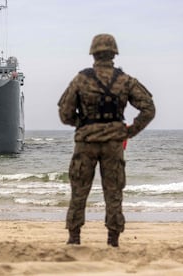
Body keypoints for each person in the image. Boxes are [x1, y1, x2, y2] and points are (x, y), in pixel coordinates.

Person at [58, 33, 155, 247]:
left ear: (93, 53)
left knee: (79, 190)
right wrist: (129, 131)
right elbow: (148, 108)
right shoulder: (125, 80)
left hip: (86, 142)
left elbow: (64, 113)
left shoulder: (81, 79)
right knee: (113, 191)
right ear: (114, 53)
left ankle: (74, 238)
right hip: (114, 143)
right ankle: (113, 240)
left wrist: (83, 125)